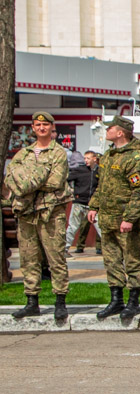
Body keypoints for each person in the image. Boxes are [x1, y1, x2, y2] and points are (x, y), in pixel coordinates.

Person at [4, 111, 71, 320]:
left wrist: (26, 182)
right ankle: (32, 301)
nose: (41, 128)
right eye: (37, 125)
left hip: (50, 212)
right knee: (28, 257)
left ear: (52, 128)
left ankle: (60, 300)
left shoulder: (58, 153)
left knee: (55, 257)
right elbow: (10, 177)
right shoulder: (23, 154)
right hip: (26, 213)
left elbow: (55, 182)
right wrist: (36, 178)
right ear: (32, 128)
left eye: (45, 125)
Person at [87, 116, 140, 320]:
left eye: (110, 128)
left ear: (120, 132)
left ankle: (133, 301)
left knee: (132, 260)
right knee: (111, 260)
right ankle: (116, 299)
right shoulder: (108, 156)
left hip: (125, 221)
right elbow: (102, 185)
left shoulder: (135, 158)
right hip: (107, 219)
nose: (107, 131)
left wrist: (130, 218)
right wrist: (94, 206)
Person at [65, 149, 99, 255]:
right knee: (72, 227)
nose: (86, 160)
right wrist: (70, 192)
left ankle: (110, 250)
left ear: (95, 159)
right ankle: (64, 250)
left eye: (88, 158)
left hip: (93, 205)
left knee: (101, 227)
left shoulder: (99, 172)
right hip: (79, 202)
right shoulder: (80, 170)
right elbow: (66, 179)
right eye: (85, 158)